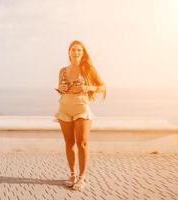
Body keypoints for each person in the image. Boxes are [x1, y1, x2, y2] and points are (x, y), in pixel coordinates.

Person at [55, 40, 106, 191]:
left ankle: (82, 177)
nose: (76, 52)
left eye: (79, 50)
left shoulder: (88, 69)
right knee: (69, 143)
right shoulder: (63, 70)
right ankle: (72, 175)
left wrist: (87, 87)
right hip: (64, 108)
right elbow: (61, 89)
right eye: (73, 50)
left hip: (82, 108)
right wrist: (60, 88)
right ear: (69, 52)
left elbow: (102, 87)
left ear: (83, 53)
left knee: (82, 143)